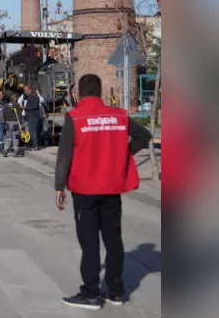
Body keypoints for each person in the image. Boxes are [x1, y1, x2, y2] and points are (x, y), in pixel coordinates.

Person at [54, 74, 152, 310]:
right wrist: (126, 150)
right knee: (113, 238)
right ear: (100, 91)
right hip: (111, 187)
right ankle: (116, 292)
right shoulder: (118, 115)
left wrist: (59, 186)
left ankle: (90, 293)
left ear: (79, 93)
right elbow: (145, 135)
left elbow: (64, 155)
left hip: (85, 189)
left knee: (89, 242)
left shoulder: (75, 118)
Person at [19, 85, 43, 150]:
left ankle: (35, 145)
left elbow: (35, 106)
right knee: (30, 130)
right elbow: (24, 98)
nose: (25, 92)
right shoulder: (29, 96)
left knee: (33, 131)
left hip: (33, 116)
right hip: (29, 116)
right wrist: (24, 94)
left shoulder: (34, 96)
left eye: (26, 91)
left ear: (30, 89)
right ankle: (31, 144)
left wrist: (25, 107)